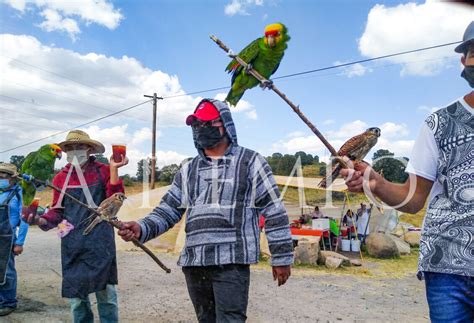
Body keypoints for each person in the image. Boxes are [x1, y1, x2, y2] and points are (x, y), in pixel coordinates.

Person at [340, 21, 474, 322]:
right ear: (463, 60)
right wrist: (375, 181)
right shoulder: (439, 123)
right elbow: (413, 200)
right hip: (448, 265)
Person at [118, 99, 293, 323]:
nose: (201, 129)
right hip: (194, 262)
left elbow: (274, 210)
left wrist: (281, 256)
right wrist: (141, 228)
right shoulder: (188, 169)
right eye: (197, 125)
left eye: (207, 124)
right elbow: (168, 210)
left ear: (225, 126)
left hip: (231, 261)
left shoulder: (250, 162)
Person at [24, 130, 128, 323]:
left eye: (79, 146)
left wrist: (114, 169)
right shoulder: (60, 178)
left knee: (107, 296)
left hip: (100, 241)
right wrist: (39, 220)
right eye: (70, 148)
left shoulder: (102, 170)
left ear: (89, 149)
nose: (74, 150)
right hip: (72, 243)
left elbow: (115, 198)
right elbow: (57, 214)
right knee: (77, 300)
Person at [0, 163, 28, 316]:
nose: (1, 178)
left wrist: (20, 242)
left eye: (5, 175)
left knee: (6, 271)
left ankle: (8, 302)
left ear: (13, 178)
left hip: (7, 237)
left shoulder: (18, 193)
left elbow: (24, 219)